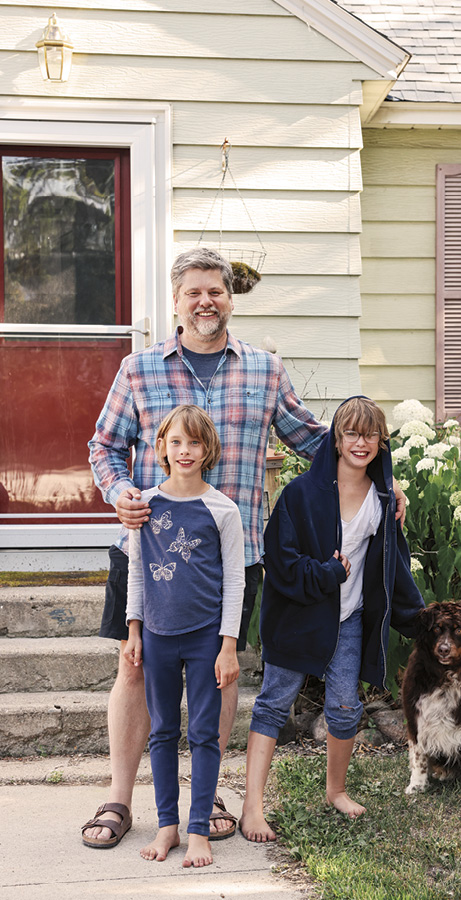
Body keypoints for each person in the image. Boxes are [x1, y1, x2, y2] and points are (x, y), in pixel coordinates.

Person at [83, 247, 406, 847]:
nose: (206, 301)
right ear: (175, 301)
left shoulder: (263, 369)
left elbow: (316, 440)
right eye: (193, 292)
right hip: (149, 551)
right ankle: (119, 799)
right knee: (132, 670)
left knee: (224, 670)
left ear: (230, 298)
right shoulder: (138, 368)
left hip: (235, 558)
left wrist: (384, 482)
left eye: (216, 291)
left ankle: (209, 795)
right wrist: (121, 489)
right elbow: (104, 446)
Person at [239, 396, 424, 842]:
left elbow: (392, 565)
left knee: (345, 709)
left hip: (349, 619)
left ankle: (335, 791)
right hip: (297, 616)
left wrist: (419, 619)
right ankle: (251, 808)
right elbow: (279, 560)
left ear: (381, 441)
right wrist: (324, 574)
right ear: (336, 440)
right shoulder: (302, 494)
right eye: (351, 434)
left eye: (370, 434)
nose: (361, 443)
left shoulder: (383, 500)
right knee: (272, 704)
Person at [124, 404, 244, 867]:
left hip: (205, 639)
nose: (185, 451)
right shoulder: (145, 505)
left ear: (207, 448)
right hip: (155, 634)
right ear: (162, 449)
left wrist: (228, 645)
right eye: (176, 442)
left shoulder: (222, 510)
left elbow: (235, 580)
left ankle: (198, 832)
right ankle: (167, 827)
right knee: (162, 732)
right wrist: (134, 629)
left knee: (203, 734)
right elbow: (137, 570)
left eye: (194, 442)